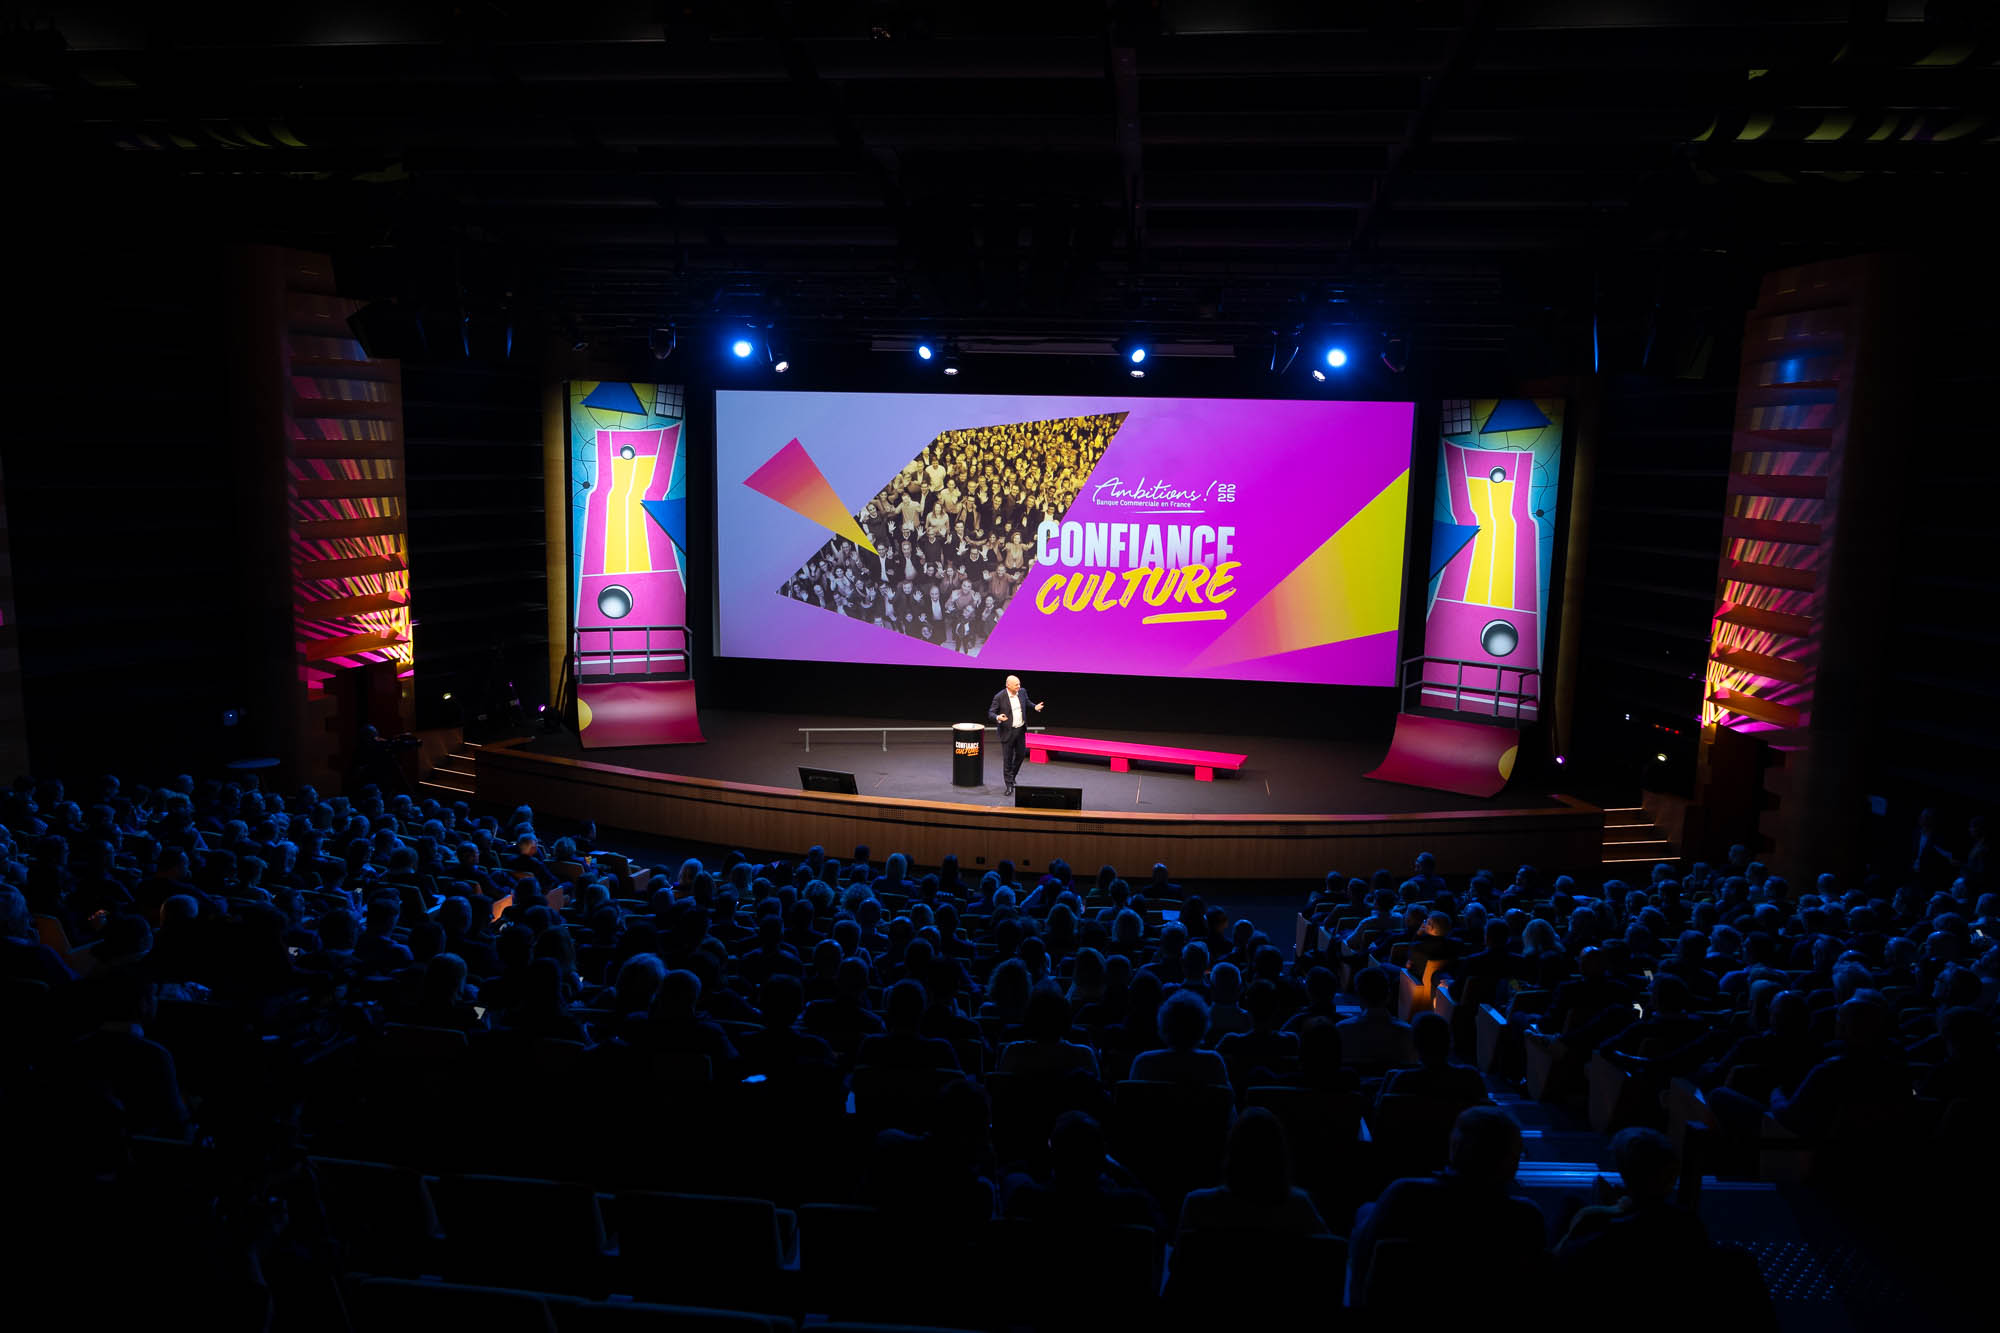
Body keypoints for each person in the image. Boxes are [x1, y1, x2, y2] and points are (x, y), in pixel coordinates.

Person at [1347, 1106, 1546, 1306]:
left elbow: (1364, 1259)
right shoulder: (1527, 1218)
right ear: (1511, 1161)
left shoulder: (1405, 1196)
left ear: (1455, 1146)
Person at [1176, 1107, 1328, 1235]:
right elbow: (1330, 1260)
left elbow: (1177, 1266)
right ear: (1280, 1157)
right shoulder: (1299, 1209)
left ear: (1232, 1153)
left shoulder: (1198, 1207)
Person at [988, 674, 1044, 796]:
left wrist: (1035, 707)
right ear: (1008, 685)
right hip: (1007, 732)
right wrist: (998, 717)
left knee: (1021, 755)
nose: (1019, 686)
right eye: (1016, 685)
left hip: (1020, 730)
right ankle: (1009, 785)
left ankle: (1012, 776)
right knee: (1007, 759)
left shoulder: (1022, 692)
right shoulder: (1000, 697)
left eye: (1019, 684)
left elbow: (1027, 702)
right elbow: (991, 713)